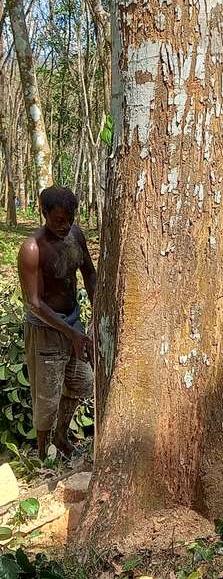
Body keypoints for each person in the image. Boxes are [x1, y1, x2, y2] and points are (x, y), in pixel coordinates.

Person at [18, 186, 96, 460]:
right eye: (57, 221)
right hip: (45, 328)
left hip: (73, 321)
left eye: (69, 220)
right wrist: (70, 333)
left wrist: (95, 316)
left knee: (82, 382)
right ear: (44, 214)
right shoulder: (32, 248)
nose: (64, 226)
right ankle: (42, 455)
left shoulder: (76, 236)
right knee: (46, 395)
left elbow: (89, 274)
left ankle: (61, 437)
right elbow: (34, 303)